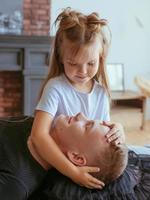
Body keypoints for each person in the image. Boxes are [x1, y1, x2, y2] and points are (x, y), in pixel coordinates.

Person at [30, 7, 125, 190]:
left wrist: (118, 130)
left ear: (101, 57)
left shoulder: (100, 93)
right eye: (73, 64)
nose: (82, 72)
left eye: (91, 63)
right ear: (61, 58)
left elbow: (101, 140)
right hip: (56, 164)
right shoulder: (56, 87)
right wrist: (73, 172)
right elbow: (38, 136)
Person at [0, 114, 126, 200]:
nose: (80, 114)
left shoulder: (15, 184)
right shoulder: (36, 126)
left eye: (87, 125)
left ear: (76, 157)